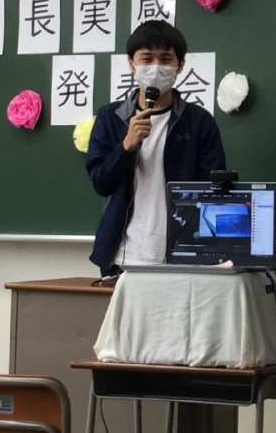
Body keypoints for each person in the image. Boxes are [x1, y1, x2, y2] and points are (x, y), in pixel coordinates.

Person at [86, 20, 226, 276]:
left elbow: (213, 190)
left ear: (180, 66)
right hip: (122, 254)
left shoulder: (199, 122)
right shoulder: (110, 117)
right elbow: (101, 183)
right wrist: (126, 146)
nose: (156, 67)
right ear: (131, 64)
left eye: (165, 59)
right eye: (147, 58)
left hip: (183, 253)